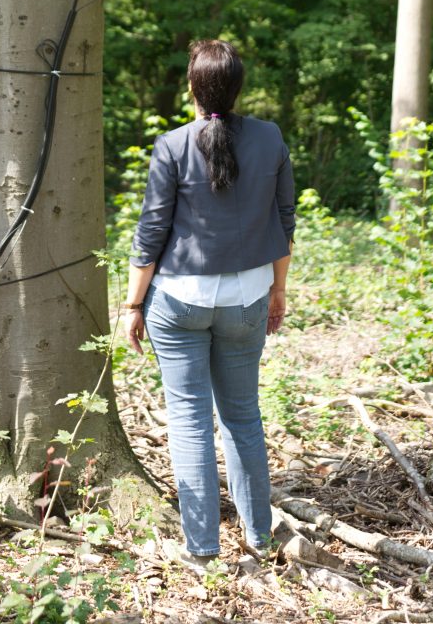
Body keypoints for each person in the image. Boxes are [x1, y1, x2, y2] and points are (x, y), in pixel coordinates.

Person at [123, 39, 295, 571]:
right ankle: (259, 538)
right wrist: (277, 290)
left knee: (190, 421)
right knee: (242, 417)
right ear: (238, 86)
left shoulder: (172, 145)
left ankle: (201, 549)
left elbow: (151, 230)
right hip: (248, 296)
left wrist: (132, 304)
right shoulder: (269, 138)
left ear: (192, 89)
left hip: (178, 299)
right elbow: (285, 219)